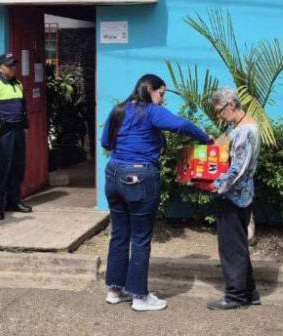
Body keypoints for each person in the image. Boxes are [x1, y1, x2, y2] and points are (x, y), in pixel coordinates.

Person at [101, 74, 212, 311]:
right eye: (161, 93)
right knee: (141, 238)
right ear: (149, 89)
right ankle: (140, 297)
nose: (161, 99)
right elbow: (182, 125)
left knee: (119, 234)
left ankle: (115, 290)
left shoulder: (118, 109)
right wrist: (205, 138)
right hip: (140, 176)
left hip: (113, 175)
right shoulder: (150, 111)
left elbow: (105, 143)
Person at [205, 88, 261, 310]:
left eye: (219, 110)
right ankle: (250, 293)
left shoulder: (245, 131)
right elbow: (221, 145)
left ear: (230, 105)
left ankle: (235, 296)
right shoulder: (236, 127)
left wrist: (216, 185)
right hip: (238, 194)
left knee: (231, 247)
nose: (219, 115)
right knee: (237, 244)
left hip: (235, 196)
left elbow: (238, 168)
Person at [0, 52, 31, 220]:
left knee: (18, 167)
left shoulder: (18, 84)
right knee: (1, 169)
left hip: (18, 130)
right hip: (3, 132)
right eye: (9, 65)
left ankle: (14, 201)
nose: (12, 68)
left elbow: (23, 107)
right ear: (0, 67)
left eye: (14, 65)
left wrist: (25, 126)